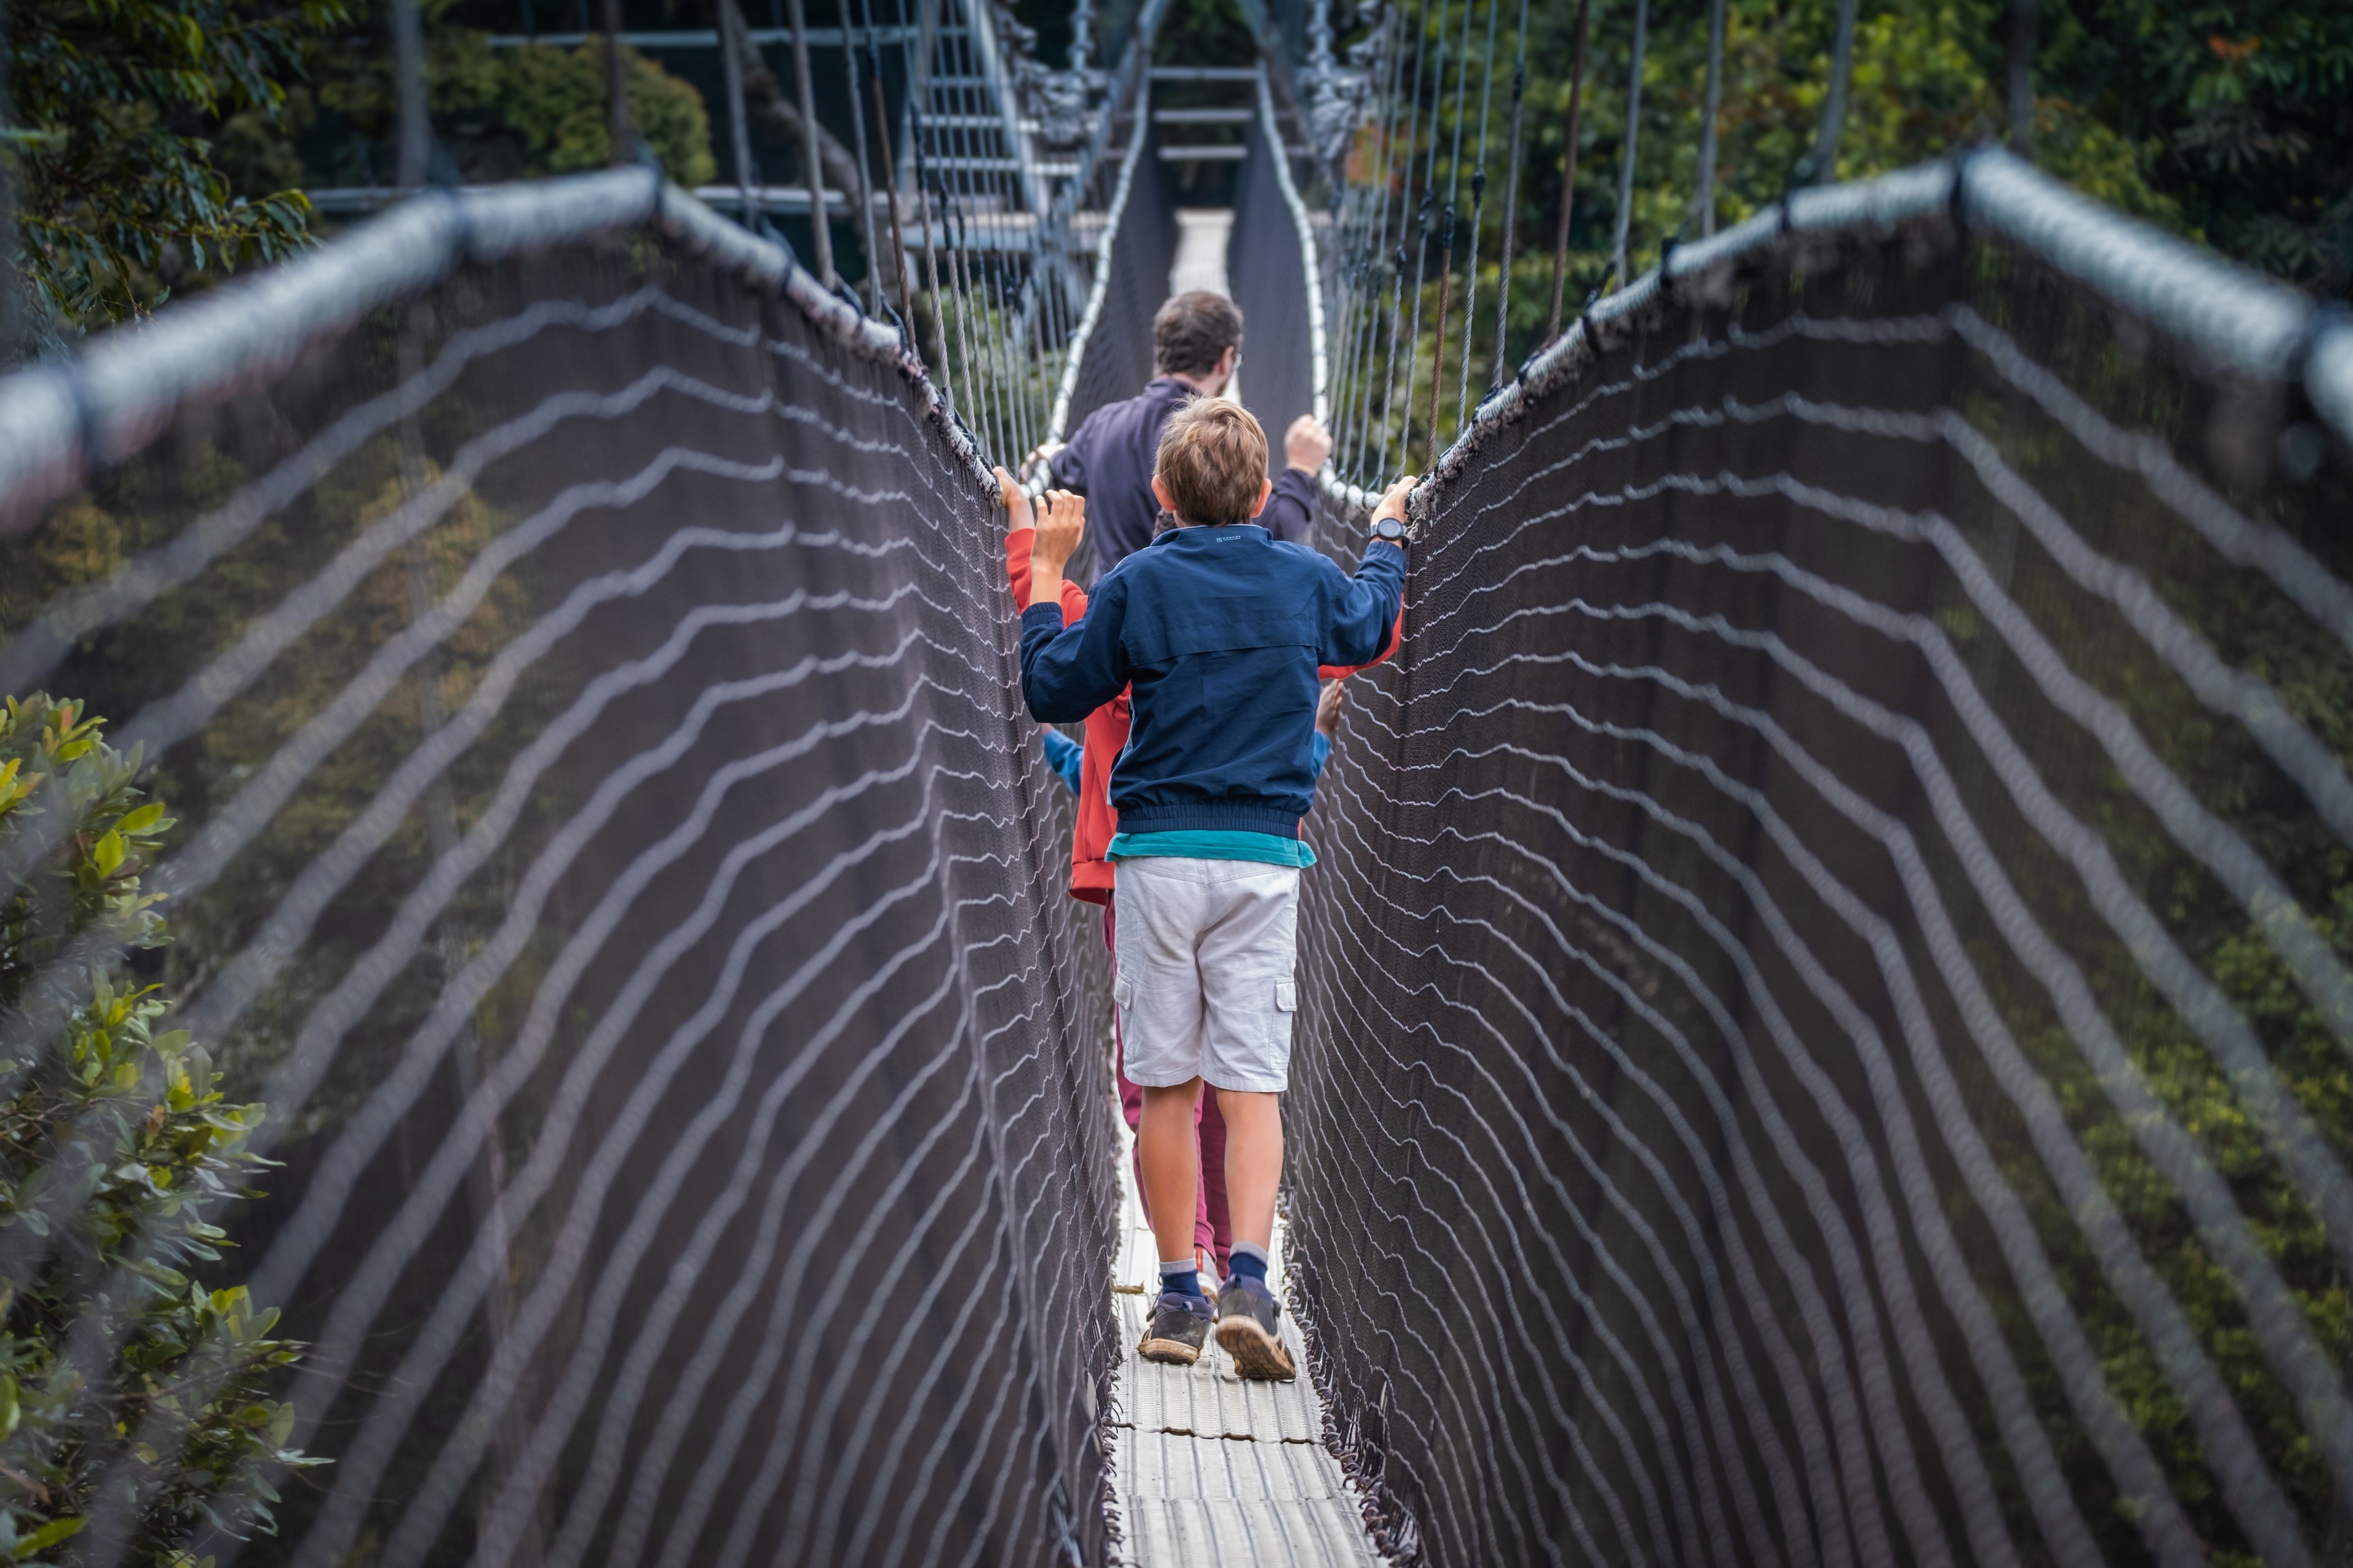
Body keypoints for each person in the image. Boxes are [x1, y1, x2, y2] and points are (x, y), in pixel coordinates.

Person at [1017, 397, 1413, 1381]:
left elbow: (1053, 690)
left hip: (1154, 855)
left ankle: (1179, 1297)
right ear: (1263, 493)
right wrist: (1392, 531)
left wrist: (1046, 580)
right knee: (1250, 1084)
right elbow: (1369, 627)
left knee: (1165, 1084)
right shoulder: (1302, 574)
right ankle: (1251, 1285)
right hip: (1261, 862)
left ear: (1160, 495)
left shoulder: (1138, 583)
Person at [1034, 290, 1336, 578]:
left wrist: (1048, 459)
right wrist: (1301, 469)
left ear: (1160, 352)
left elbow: (1061, 472)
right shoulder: (1217, 441)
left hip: (1112, 614)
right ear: (1226, 359)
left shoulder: (1101, 425)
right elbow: (1276, 529)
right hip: (1192, 611)